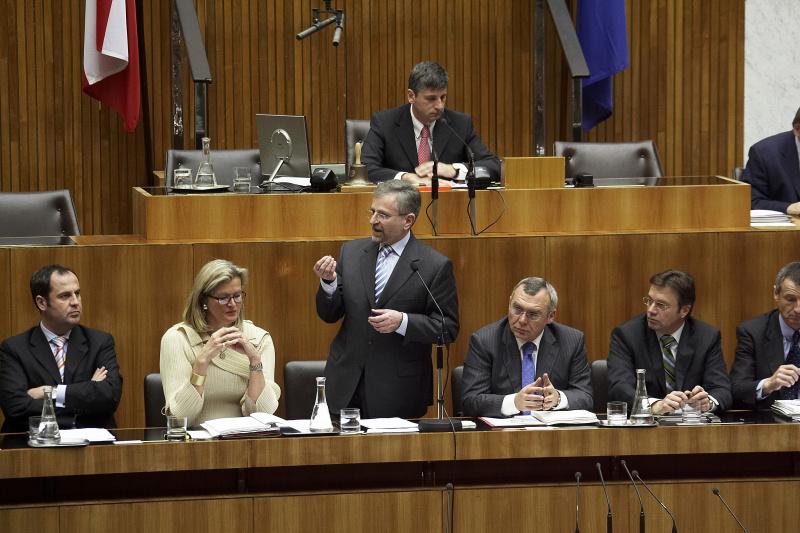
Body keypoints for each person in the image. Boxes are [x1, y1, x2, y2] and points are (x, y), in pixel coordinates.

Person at [314, 180, 459, 419]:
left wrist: (403, 322)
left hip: (398, 391)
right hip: (345, 383)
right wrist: (328, 283)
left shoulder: (434, 266)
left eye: (383, 215)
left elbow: (447, 328)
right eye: (372, 212)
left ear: (408, 220)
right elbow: (329, 315)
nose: (373, 220)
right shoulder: (351, 253)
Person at [0, 265, 123, 433]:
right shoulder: (14, 349)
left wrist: (50, 392)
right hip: (34, 448)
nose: (75, 302)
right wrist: (86, 393)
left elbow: (109, 396)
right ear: (42, 303)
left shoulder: (100, 342)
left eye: (77, 293)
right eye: (65, 296)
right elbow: (16, 407)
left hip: (93, 447)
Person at [160, 260, 280, 428]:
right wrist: (201, 362)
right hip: (197, 442)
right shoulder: (178, 339)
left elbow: (263, 413)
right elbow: (181, 416)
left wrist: (254, 361)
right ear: (203, 300)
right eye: (223, 298)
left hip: (248, 440)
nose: (232, 304)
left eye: (237, 296)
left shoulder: (259, 339)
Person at [461, 278, 593, 417]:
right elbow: (470, 401)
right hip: (501, 435)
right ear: (509, 303)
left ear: (550, 316)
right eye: (517, 309)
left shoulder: (571, 341)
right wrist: (514, 402)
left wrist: (558, 398)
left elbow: (585, 396)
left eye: (533, 314)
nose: (522, 320)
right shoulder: (484, 341)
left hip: (553, 435)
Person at [607, 269, 732, 414]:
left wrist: (707, 402)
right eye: (649, 301)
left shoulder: (707, 336)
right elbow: (619, 387)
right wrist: (654, 406)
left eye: (661, 305)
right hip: (644, 429)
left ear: (684, 310)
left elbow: (722, 389)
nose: (651, 310)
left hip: (693, 428)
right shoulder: (626, 334)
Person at [360, 61, 501, 185]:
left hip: (448, 206)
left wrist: (453, 170)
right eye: (431, 99)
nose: (440, 106)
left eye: (443, 97)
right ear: (411, 96)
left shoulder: (460, 124)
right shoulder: (385, 123)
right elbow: (365, 169)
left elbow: (494, 166)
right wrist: (407, 177)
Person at [730, 261, 800, 408]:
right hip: (770, 424)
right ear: (776, 294)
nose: (798, 309)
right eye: (790, 299)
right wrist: (767, 384)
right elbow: (735, 390)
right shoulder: (752, 332)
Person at [742, 107, 800, 214]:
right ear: (797, 129)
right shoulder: (764, 154)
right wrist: (788, 207)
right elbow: (752, 202)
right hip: (788, 228)